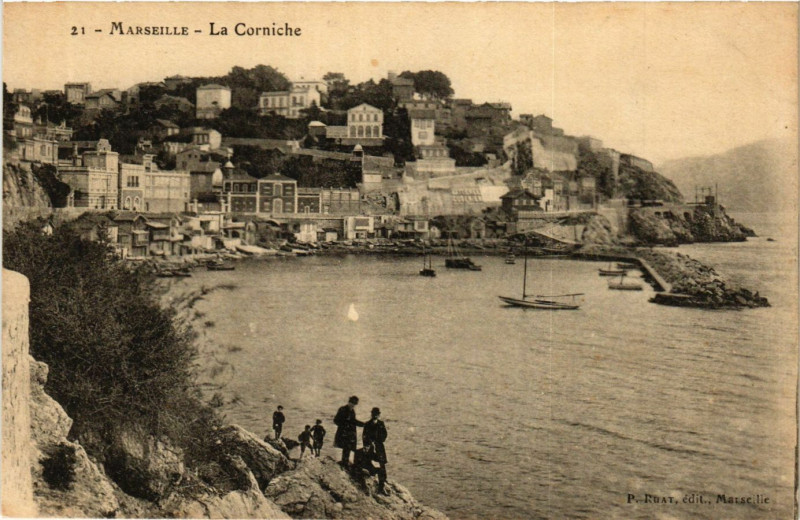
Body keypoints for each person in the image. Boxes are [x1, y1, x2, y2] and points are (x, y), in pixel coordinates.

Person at [362, 407, 389, 495]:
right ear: (372, 414)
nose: (375, 416)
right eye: (374, 414)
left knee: (382, 466)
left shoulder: (381, 424)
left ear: (378, 415)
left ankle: (381, 486)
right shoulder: (367, 424)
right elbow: (364, 436)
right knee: (371, 465)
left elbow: (384, 434)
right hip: (370, 448)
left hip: (379, 447)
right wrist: (369, 444)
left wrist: (378, 440)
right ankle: (370, 485)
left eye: (377, 414)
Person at [334, 395, 365, 467]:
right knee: (346, 448)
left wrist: (363, 424)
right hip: (344, 433)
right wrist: (344, 425)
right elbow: (336, 420)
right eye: (352, 403)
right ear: (349, 402)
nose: (353, 405)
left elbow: (354, 421)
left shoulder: (352, 411)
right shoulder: (342, 409)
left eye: (355, 404)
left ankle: (345, 462)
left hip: (350, 434)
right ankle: (344, 463)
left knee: (348, 448)